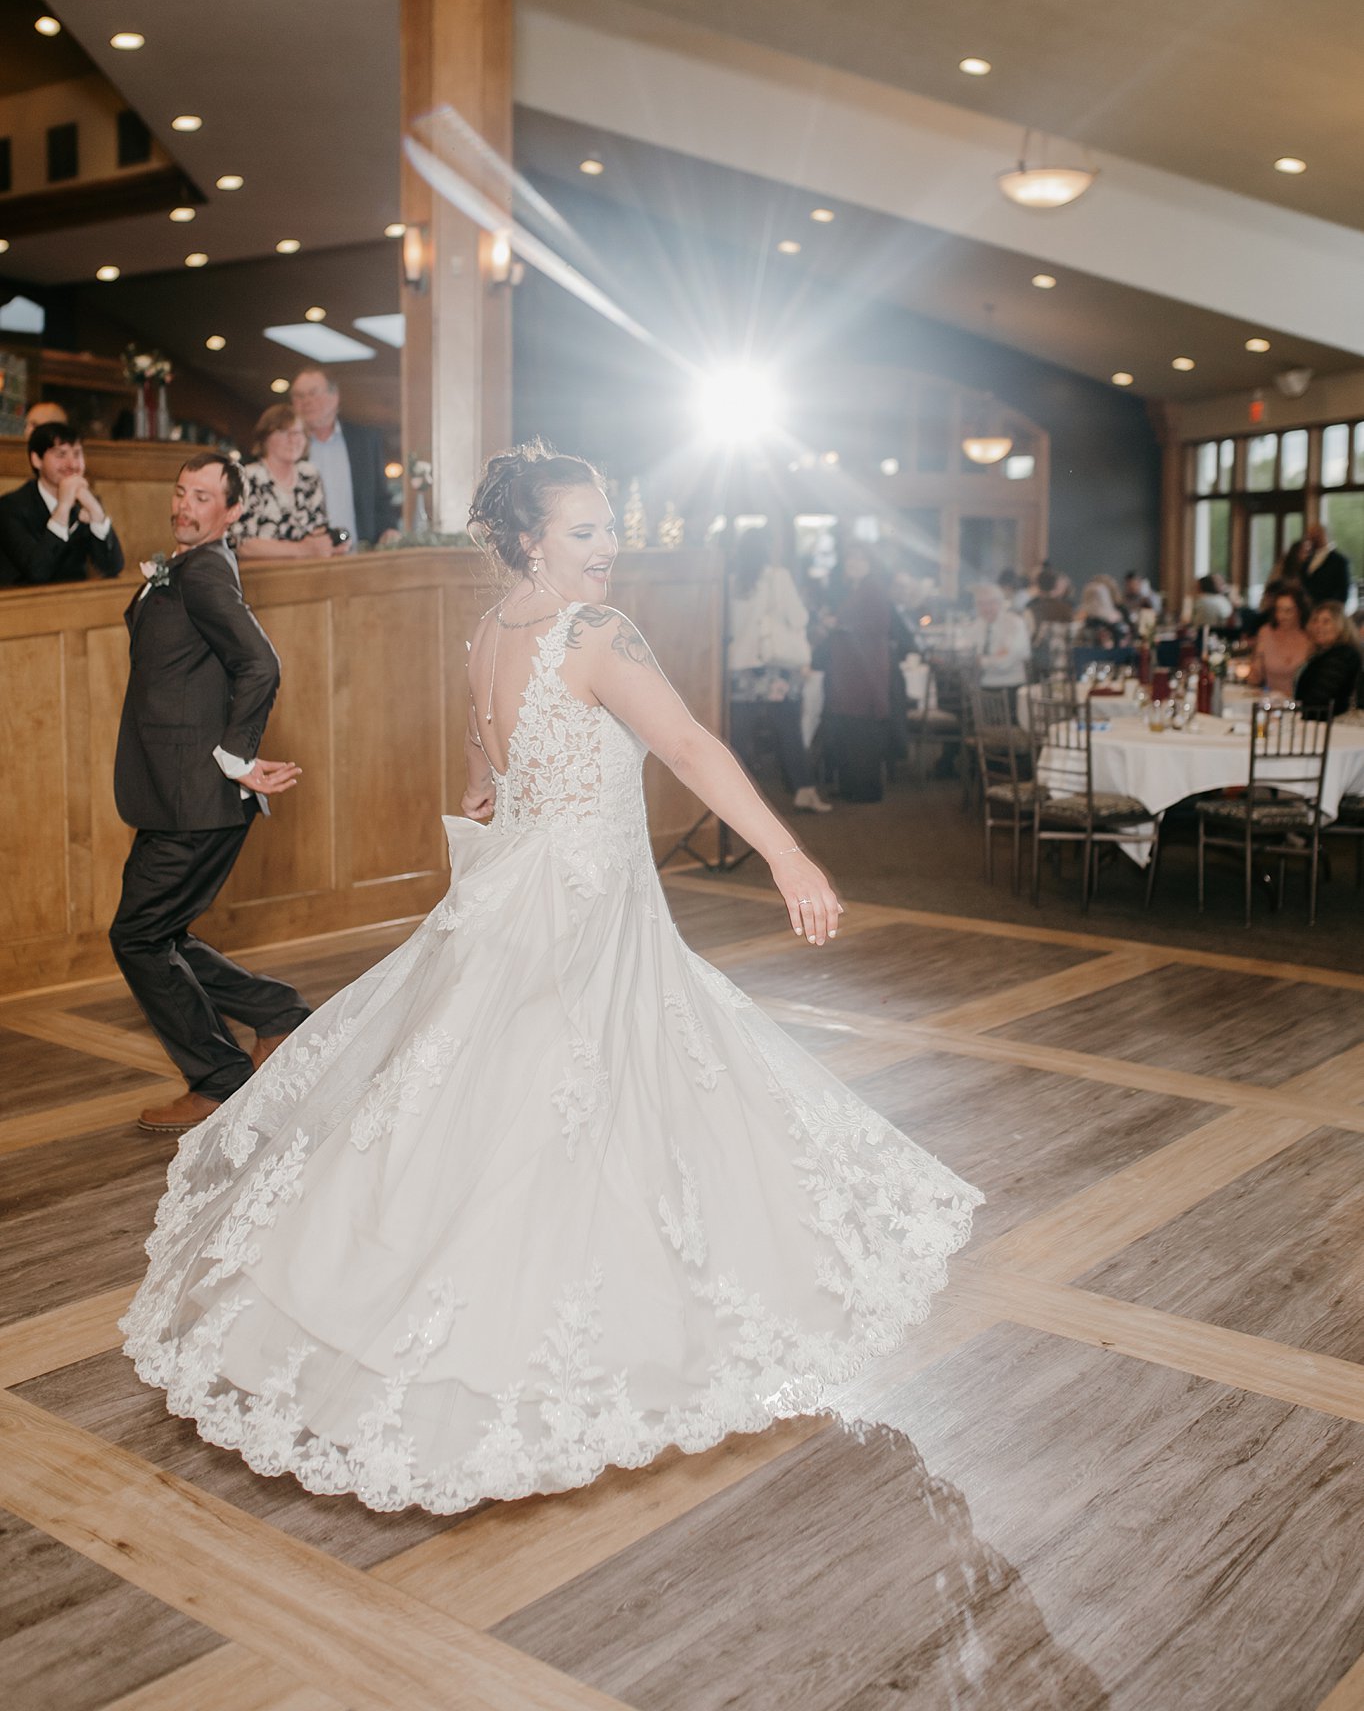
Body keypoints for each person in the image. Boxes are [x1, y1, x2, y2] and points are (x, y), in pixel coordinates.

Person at [120, 442, 982, 1515]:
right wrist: (785, 852)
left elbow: (484, 766)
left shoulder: (488, 633)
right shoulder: (592, 632)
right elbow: (687, 743)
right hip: (577, 905)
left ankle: (441, 1305)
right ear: (530, 538)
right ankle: (534, 1333)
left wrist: (489, 793)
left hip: (532, 890)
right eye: (583, 529)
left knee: (504, 1094)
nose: (607, 544)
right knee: (575, 1089)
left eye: (608, 524)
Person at [109, 453, 311, 1134]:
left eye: (202, 496)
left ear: (231, 512)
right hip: (176, 793)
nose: (184, 504)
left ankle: (220, 1080)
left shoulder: (204, 569)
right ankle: (279, 1014)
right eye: (180, 490)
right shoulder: (189, 564)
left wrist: (235, 756)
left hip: (198, 796)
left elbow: (261, 662)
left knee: (138, 936)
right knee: (158, 932)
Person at [727, 526, 829, 813]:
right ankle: (803, 791)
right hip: (773, 667)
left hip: (739, 666)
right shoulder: (777, 577)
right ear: (768, 548)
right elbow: (798, 618)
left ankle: (735, 797)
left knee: (738, 735)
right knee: (788, 730)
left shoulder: (733, 581)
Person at [0, 421, 125, 585]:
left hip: (73, 604)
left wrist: (97, 514)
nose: (72, 464)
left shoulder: (85, 501)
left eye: (77, 454)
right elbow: (37, 572)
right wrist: (63, 508)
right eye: (61, 455)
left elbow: (113, 567)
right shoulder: (10, 507)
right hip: (23, 606)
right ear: (36, 459)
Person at [290, 367, 398, 548]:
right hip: (303, 558)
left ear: (335, 396)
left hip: (359, 555)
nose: (306, 401)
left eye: (313, 393)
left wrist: (388, 529)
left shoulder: (365, 441)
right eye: (299, 396)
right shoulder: (287, 446)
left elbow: (380, 497)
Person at [821, 547, 894, 801]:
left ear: (869, 563)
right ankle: (852, 786)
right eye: (849, 558)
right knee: (851, 729)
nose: (852, 562)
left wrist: (841, 626)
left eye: (858, 558)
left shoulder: (872, 588)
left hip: (864, 670)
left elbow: (880, 625)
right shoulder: (857, 588)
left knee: (861, 729)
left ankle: (864, 790)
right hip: (852, 669)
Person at [234, 403, 347, 561]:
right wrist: (301, 549)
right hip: (260, 576)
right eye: (284, 432)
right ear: (265, 437)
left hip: (306, 573)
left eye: (299, 433)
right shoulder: (249, 477)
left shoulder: (309, 474)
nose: (293, 439)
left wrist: (329, 544)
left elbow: (318, 529)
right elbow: (241, 544)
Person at [1294, 602, 1362, 715]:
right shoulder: (1324, 653)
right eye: (1316, 620)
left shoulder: (1343, 655)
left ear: (1339, 625)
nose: (1318, 626)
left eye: (1326, 622)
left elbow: (1320, 699)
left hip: (1330, 724)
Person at [1247, 585, 1311, 700]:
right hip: (1271, 701)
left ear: (1300, 611)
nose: (1282, 616)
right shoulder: (1266, 632)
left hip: (1299, 704)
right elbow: (1254, 678)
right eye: (1278, 610)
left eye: (1288, 611)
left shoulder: (1310, 637)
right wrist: (1255, 666)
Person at [966, 582, 1032, 695]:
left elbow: (1005, 662)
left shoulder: (1014, 623)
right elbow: (967, 657)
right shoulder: (976, 625)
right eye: (981, 604)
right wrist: (994, 657)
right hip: (981, 688)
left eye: (991, 603)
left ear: (1001, 603)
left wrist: (980, 660)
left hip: (1010, 687)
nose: (986, 608)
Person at [1284, 523, 1352, 610]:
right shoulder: (1308, 559)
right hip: (1307, 610)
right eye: (1310, 534)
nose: (1311, 538)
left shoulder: (1339, 561)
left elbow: (1343, 593)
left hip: (1327, 610)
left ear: (1324, 535)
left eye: (1315, 534)